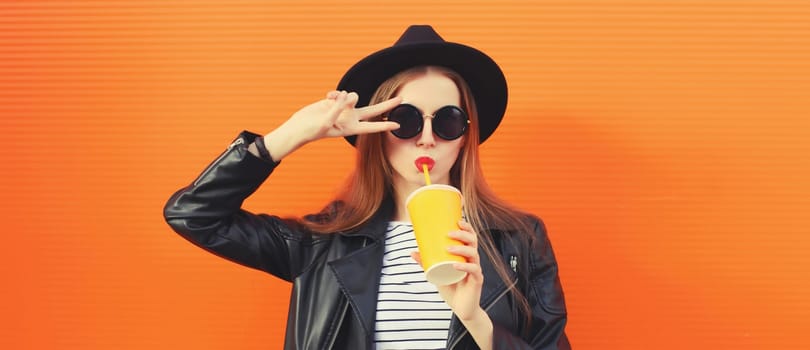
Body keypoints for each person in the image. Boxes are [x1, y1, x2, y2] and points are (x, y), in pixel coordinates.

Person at [164, 25, 570, 350]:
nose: (426, 139)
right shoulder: (321, 243)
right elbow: (194, 216)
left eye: (446, 121)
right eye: (406, 120)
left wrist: (477, 321)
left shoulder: (519, 239)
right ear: (377, 132)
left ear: (465, 136)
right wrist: (291, 135)